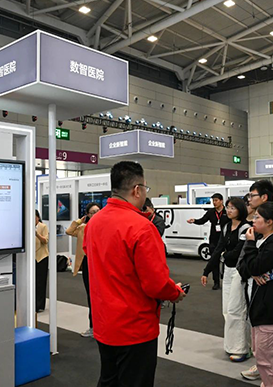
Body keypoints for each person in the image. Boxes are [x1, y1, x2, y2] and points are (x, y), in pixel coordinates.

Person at [83, 161, 186, 387]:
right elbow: (156, 283)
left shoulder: (94, 222)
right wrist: (175, 293)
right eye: (145, 188)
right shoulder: (142, 227)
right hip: (134, 326)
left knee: (109, 379)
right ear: (137, 190)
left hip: (104, 322)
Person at [239, 202, 273, 387]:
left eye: (257, 217)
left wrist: (250, 245)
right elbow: (245, 267)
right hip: (261, 307)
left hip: (271, 309)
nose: (253, 221)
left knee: (271, 357)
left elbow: (254, 266)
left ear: (269, 222)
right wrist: (254, 269)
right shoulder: (264, 241)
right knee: (262, 354)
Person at [201, 197, 252, 362]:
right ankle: (232, 345)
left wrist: (224, 255)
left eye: (232, 208)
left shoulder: (246, 228)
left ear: (240, 210)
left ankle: (242, 348)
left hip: (239, 272)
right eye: (228, 207)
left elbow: (237, 253)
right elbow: (218, 250)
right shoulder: (226, 227)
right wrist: (207, 271)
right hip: (228, 272)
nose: (229, 210)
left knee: (237, 310)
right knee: (227, 310)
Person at [241, 180, 273, 382]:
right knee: (260, 342)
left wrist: (254, 267)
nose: (249, 199)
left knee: (272, 351)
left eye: (252, 195)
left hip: (271, 301)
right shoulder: (257, 235)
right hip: (257, 295)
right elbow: (247, 265)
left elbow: (256, 266)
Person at [66, 202, 101, 338]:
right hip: (88, 263)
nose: (96, 214)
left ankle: (103, 326)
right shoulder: (83, 228)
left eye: (98, 211)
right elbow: (69, 231)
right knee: (91, 295)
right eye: (93, 212)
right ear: (88, 215)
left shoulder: (104, 226)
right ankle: (93, 327)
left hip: (101, 263)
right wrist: (79, 221)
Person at [187, 193, 229, 290]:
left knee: (227, 260)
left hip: (225, 240)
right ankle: (216, 282)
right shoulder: (211, 212)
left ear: (221, 201)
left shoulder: (227, 212)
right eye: (213, 200)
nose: (214, 202)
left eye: (216, 200)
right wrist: (194, 221)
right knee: (214, 261)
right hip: (213, 240)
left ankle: (226, 279)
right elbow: (202, 220)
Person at [35, 210, 49, 317]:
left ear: (38, 217)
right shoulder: (27, 226)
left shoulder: (43, 226)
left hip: (42, 257)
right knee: (33, 281)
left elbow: (45, 241)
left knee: (41, 281)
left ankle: (40, 305)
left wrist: (37, 234)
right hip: (31, 257)